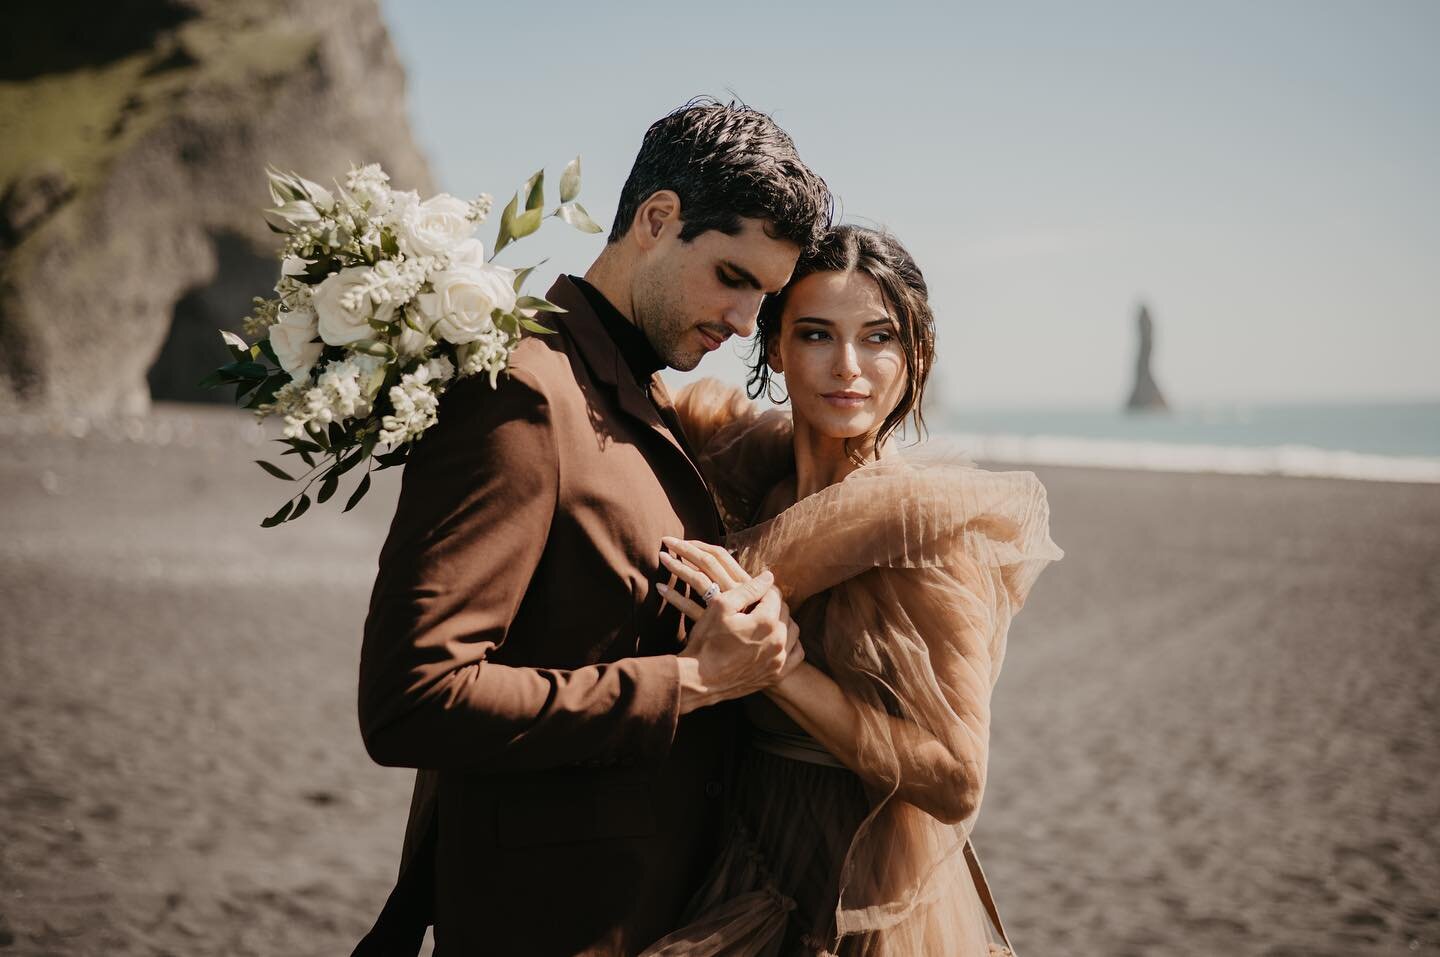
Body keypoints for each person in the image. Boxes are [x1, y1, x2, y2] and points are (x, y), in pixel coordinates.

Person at [352, 99, 832, 956]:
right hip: (547, 923)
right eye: (731, 277)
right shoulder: (525, 394)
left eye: (766, 295)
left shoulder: (645, 391)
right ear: (656, 219)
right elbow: (413, 699)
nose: (744, 323)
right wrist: (690, 679)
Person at [642, 225, 1063, 955]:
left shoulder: (924, 531)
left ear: (916, 354)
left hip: (852, 899)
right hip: (737, 851)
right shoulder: (745, 475)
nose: (848, 368)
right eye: (815, 335)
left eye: (878, 338)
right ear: (774, 345)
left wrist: (781, 671)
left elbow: (958, 779)